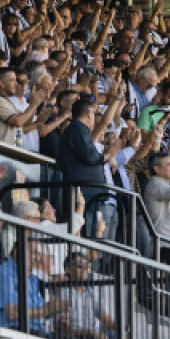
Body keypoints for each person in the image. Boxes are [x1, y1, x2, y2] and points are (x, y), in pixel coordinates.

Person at [58, 98, 121, 240]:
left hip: (90, 195)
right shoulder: (77, 128)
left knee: (94, 236)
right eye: (95, 113)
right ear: (88, 113)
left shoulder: (81, 130)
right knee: (87, 238)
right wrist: (108, 153)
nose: (95, 117)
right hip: (83, 195)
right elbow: (91, 157)